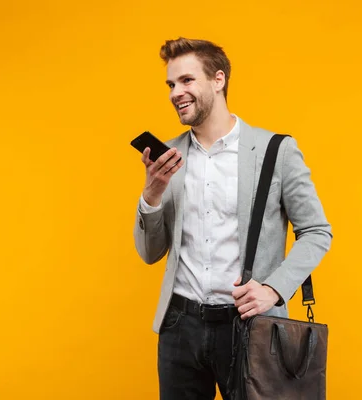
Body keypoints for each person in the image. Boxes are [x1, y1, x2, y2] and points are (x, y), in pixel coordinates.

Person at [133, 37, 333, 400]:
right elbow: (150, 253)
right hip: (179, 325)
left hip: (250, 326)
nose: (176, 93)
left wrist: (273, 289)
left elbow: (317, 231)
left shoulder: (275, 151)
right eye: (171, 84)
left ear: (218, 80)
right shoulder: (170, 155)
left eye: (187, 80)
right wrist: (152, 195)